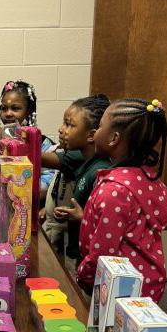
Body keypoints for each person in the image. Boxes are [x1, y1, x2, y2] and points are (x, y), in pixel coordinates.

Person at [74, 99, 167, 302]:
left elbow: (103, 254)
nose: (95, 132)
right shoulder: (155, 183)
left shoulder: (114, 191)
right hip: (148, 285)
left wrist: (82, 276)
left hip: (116, 289)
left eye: (100, 126)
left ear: (114, 138)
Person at [41, 94, 111, 271]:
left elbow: (106, 220)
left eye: (70, 125)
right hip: (77, 248)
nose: (61, 129)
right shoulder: (84, 163)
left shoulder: (100, 171)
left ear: (91, 135)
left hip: (91, 258)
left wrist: (83, 216)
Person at [0, 80, 56, 199]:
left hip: (30, 207)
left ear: (29, 111)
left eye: (15, 108)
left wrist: (5, 137)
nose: (8, 114)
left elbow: (49, 183)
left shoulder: (43, 144)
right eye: (4, 108)